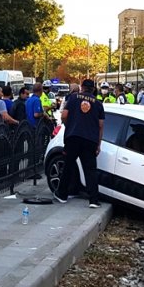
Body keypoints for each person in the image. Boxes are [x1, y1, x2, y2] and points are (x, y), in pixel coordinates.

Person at [54, 79, 104, 208]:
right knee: (90, 170)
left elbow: (64, 115)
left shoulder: (73, 98)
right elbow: (100, 126)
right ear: (93, 89)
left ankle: (62, 194)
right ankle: (93, 200)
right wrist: (98, 144)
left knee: (68, 165)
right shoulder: (98, 103)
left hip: (73, 137)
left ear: (81, 87)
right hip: (90, 139)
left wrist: (69, 124)